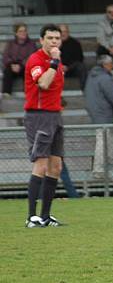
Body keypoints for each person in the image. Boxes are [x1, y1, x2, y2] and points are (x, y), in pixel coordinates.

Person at [23, 24, 65, 227]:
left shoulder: (55, 61)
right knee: (40, 164)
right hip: (39, 117)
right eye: (50, 38)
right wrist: (55, 61)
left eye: (57, 38)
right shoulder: (36, 60)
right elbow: (43, 83)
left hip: (55, 116)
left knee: (56, 167)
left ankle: (46, 216)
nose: (54, 41)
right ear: (41, 40)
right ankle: (31, 216)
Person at [84, 55, 113, 178]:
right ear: (105, 65)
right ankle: (99, 170)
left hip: (96, 112)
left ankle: (107, 160)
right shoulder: (105, 78)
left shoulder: (92, 76)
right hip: (104, 114)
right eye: (111, 64)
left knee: (111, 135)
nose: (112, 66)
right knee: (103, 140)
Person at [2, 23, 37, 98]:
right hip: (13, 65)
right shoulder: (10, 44)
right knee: (7, 71)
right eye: (20, 31)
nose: (23, 33)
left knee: (28, 71)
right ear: (16, 33)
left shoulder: (31, 44)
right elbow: (6, 56)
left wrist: (21, 65)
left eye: (24, 31)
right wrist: (11, 64)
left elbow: (32, 57)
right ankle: (6, 93)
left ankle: (28, 93)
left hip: (25, 65)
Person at [59, 24, 87, 91]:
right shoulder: (52, 44)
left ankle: (85, 90)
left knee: (81, 67)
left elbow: (80, 59)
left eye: (65, 31)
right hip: (58, 69)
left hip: (72, 69)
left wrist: (68, 67)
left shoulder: (75, 43)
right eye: (61, 32)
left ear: (68, 32)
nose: (63, 34)